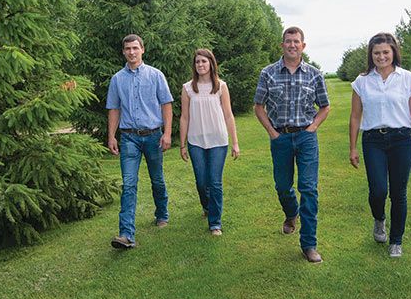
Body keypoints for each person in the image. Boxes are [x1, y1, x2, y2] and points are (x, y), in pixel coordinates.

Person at [349, 32, 411, 258]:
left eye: (386, 52)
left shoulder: (407, 79)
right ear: (371, 55)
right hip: (373, 141)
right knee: (378, 190)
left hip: (402, 140)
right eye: (377, 53)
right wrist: (353, 147)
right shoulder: (362, 81)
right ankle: (379, 219)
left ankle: (396, 240)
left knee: (398, 192)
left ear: (394, 52)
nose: (382, 56)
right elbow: (355, 117)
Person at [254, 26, 330, 263]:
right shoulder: (268, 73)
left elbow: (324, 106)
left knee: (308, 189)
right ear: (282, 45)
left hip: (306, 137)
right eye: (288, 41)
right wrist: (272, 133)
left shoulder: (314, 74)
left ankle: (309, 244)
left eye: (296, 41)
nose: (292, 45)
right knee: (283, 186)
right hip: (281, 137)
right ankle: (291, 213)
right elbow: (259, 106)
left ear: (303, 45)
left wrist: (313, 127)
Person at [106, 34, 174, 249]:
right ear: (123, 52)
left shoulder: (155, 75)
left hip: (153, 135)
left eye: (135, 48)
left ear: (142, 50)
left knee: (157, 179)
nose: (131, 52)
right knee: (129, 184)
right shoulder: (117, 79)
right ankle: (126, 234)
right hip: (128, 138)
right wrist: (111, 136)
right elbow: (114, 108)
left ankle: (162, 214)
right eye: (128, 49)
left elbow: (166, 105)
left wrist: (167, 133)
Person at [179, 49, 240, 236]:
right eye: (197, 62)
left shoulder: (221, 86)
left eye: (204, 61)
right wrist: (182, 144)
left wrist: (235, 143)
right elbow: (184, 117)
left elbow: (229, 115)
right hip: (196, 141)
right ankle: (206, 206)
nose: (200, 65)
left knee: (215, 181)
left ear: (211, 64)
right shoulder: (188, 88)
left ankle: (215, 223)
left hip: (218, 140)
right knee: (201, 181)